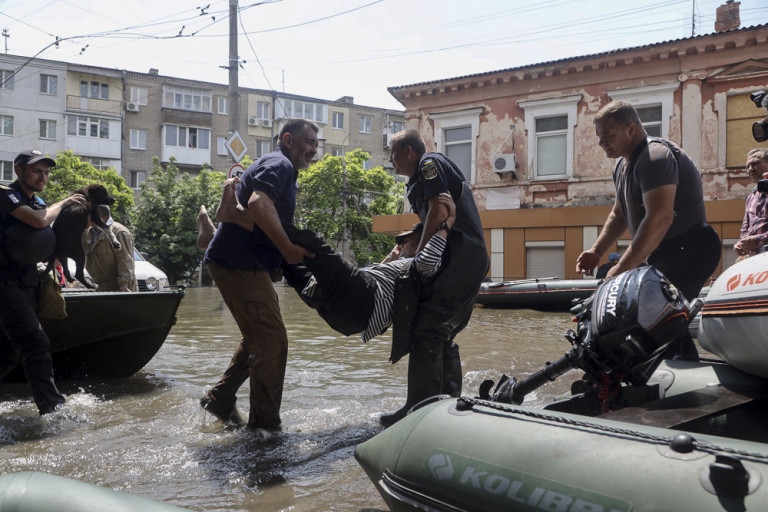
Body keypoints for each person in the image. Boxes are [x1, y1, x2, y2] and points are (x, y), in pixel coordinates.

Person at [199, 181, 456, 343]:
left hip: (361, 300)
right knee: (288, 257)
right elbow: (390, 277)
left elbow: (429, 259)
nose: (402, 244)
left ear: (424, 239)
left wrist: (448, 223)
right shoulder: (402, 269)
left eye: (408, 240)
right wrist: (391, 257)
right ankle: (212, 240)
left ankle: (232, 214)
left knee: (309, 242)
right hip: (341, 316)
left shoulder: (425, 263)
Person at [575, 100, 721, 361]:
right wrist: (597, 251)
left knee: (656, 311)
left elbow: (659, 219)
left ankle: (682, 373)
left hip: (692, 247)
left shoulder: (654, 156)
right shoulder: (622, 166)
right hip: (666, 249)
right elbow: (620, 214)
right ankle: (672, 367)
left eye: (608, 136)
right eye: (599, 137)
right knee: (651, 312)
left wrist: (621, 269)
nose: (601, 143)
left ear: (631, 129)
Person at [200, 119, 318, 431]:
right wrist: (288, 248)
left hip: (241, 262)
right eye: (309, 142)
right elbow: (258, 202)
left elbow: (262, 216)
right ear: (289, 139)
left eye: (316, 145)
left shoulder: (282, 169)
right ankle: (265, 431)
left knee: (258, 338)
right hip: (239, 264)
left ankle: (221, 397)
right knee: (272, 342)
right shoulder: (279, 164)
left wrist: (275, 260)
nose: (314, 150)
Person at [384, 129, 489, 427]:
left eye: (392, 155)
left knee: (427, 331)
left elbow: (440, 209)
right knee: (443, 331)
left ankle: (419, 412)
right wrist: (408, 244)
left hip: (461, 258)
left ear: (408, 151)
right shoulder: (422, 174)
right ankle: (448, 403)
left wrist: (419, 255)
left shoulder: (429, 164)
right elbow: (432, 215)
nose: (391, 162)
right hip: (463, 259)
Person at [0, 149, 86, 414]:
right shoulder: (5, 194)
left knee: (9, 351)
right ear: (18, 170)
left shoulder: (37, 202)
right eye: (37, 171)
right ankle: (53, 408)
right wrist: (64, 202)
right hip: (3, 280)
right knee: (35, 342)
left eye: (47, 172)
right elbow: (39, 222)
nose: (43, 176)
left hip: (27, 280)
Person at [81, 205, 138, 292]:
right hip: (101, 287)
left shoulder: (119, 232)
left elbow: (125, 259)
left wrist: (123, 283)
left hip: (120, 288)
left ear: (99, 216)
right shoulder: (87, 233)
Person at [734, 148, 768, 258]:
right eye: (748, 166)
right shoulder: (751, 197)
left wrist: (758, 241)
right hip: (756, 266)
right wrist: (741, 244)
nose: (750, 169)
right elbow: (745, 229)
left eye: (755, 164)